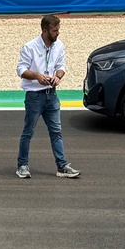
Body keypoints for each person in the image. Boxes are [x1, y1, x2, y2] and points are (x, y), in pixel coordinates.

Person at [15, 14, 78, 180]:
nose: (57, 33)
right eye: (54, 31)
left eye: (58, 30)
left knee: (56, 132)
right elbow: (21, 70)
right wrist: (37, 76)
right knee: (28, 132)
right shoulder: (29, 47)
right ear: (45, 31)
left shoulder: (59, 46)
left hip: (52, 95)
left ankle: (62, 165)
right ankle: (22, 165)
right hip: (34, 96)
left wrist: (58, 77)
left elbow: (61, 66)